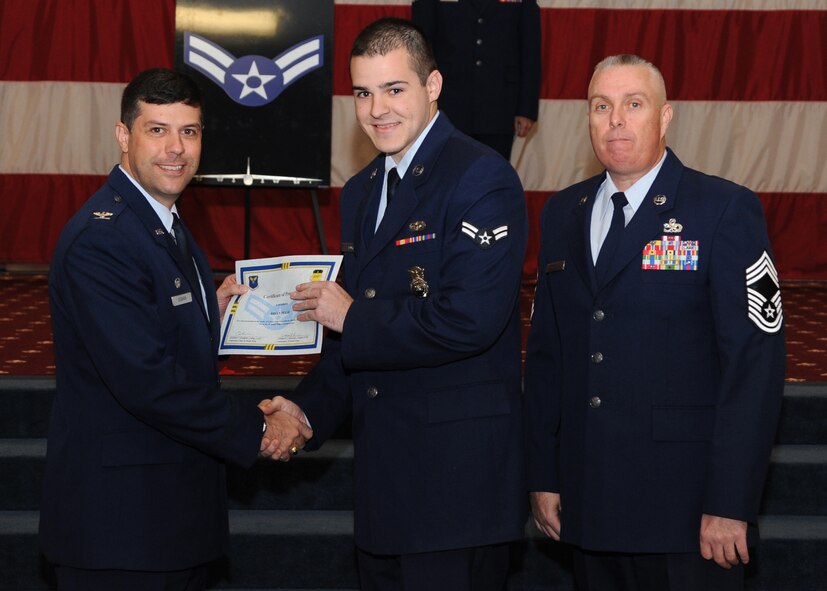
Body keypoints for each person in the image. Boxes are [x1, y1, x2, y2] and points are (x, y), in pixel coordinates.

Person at [263, 17, 528, 591]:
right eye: (363, 93)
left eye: (394, 89)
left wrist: (350, 316)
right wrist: (305, 412)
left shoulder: (481, 178)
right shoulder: (362, 191)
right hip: (385, 488)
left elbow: (470, 320)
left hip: (457, 489)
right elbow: (355, 338)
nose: (377, 109)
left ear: (433, 86)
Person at [39, 68, 312, 590]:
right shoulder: (103, 240)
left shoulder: (162, 223)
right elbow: (147, 381)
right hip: (119, 531)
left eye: (189, 131)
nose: (176, 149)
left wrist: (209, 312)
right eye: (157, 130)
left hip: (166, 520)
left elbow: (152, 331)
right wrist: (260, 430)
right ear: (124, 135)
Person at [524, 54, 786, 590]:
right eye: (601, 106)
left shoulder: (722, 210)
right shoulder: (563, 212)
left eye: (634, 104)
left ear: (665, 117)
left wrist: (730, 502)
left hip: (686, 514)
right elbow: (549, 357)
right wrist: (544, 474)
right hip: (588, 502)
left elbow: (753, 368)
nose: (616, 120)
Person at [411, 0, 541, 160]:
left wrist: (526, 109)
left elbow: (530, 51)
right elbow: (420, 47)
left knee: (493, 170)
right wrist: (421, 103)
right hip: (447, 102)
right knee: (448, 169)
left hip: (499, 104)